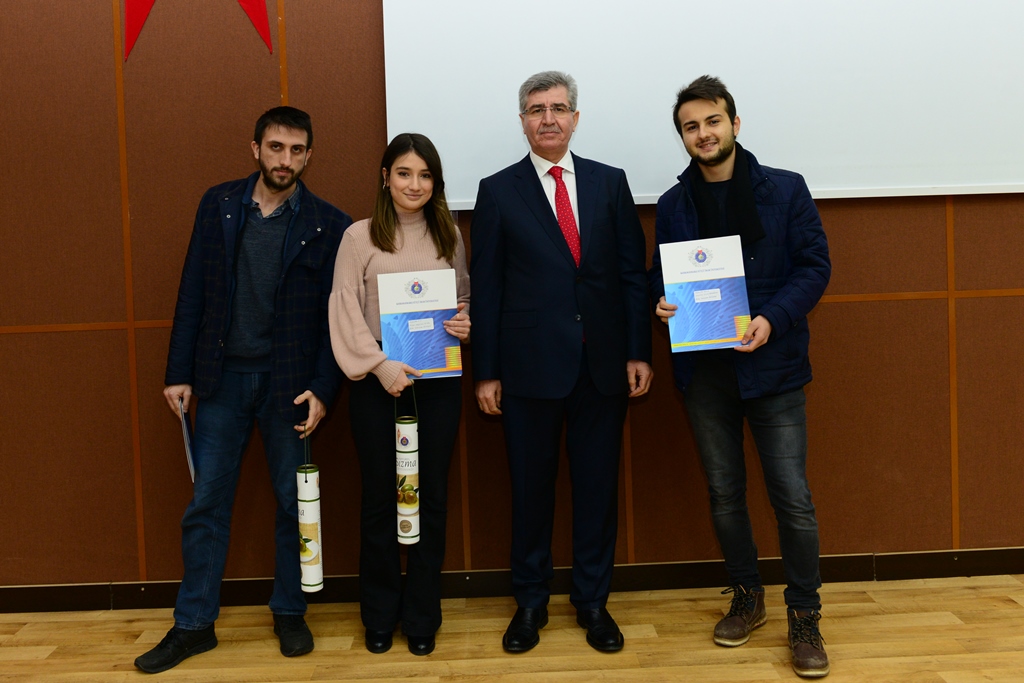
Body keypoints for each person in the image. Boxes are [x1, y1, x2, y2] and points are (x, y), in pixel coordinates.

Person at [134, 106, 352, 674]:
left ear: (309, 155)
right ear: (255, 149)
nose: (285, 159)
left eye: (297, 150)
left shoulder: (330, 224)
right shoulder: (218, 205)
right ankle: (194, 625)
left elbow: (336, 319)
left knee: (294, 505)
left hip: (291, 387)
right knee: (206, 504)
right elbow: (192, 290)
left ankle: (290, 612)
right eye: (276, 147)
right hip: (221, 381)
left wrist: (323, 389)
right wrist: (177, 372)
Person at [648, 75, 831, 678]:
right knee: (725, 494)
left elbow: (815, 266)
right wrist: (660, 302)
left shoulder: (785, 188)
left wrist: (772, 319)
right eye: (691, 126)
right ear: (683, 136)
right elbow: (660, 278)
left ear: (734, 123)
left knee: (792, 499)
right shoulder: (674, 204)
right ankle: (747, 596)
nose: (703, 134)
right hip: (705, 374)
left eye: (712, 121)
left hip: (774, 369)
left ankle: (804, 615)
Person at [471, 71, 652, 654]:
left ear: (575, 117)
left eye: (557, 108)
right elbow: (488, 289)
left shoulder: (609, 182)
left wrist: (637, 350)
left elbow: (630, 275)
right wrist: (487, 371)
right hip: (527, 369)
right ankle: (530, 603)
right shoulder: (497, 191)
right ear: (522, 121)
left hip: (602, 366)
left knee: (597, 491)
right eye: (536, 109)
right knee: (531, 492)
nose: (547, 118)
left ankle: (593, 602)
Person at [329, 133, 470, 657]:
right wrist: (381, 366)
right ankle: (380, 615)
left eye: (425, 175)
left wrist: (465, 323)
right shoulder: (358, 238)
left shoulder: (449, 234)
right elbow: (344, 309)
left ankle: (422, 616)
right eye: (405, 173)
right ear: (385, 177)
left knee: (430, 498)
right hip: (377, 387)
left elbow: (462, 298)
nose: (415, 185)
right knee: (379, 502)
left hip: (438, 389)